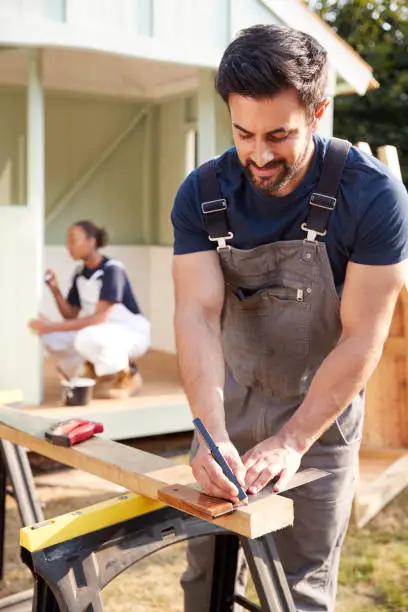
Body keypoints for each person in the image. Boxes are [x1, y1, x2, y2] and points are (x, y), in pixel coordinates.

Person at [171, 24, 408, 612]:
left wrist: (293, 440)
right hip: (227, 407)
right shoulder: (202, 193)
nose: (259, 153)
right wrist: (210, 430)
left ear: (319, 111)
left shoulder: (375, 198)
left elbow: (362, 339)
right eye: (243, 133)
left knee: (298, 592)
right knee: (206, 584)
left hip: (319, 425)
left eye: (279, 135)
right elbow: (197, 316)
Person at [28, 220, 150, 399]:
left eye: (73, 240)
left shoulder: (112, 270)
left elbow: (98, 319)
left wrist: (49, 325)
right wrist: (55, 290)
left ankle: (128, 374)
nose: (68, 246)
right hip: (101, 331)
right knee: (51, 336)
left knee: (87, 337)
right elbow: (70, 315)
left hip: (129, 333)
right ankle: (94, 368)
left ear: (91, 241)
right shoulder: (80, 273)